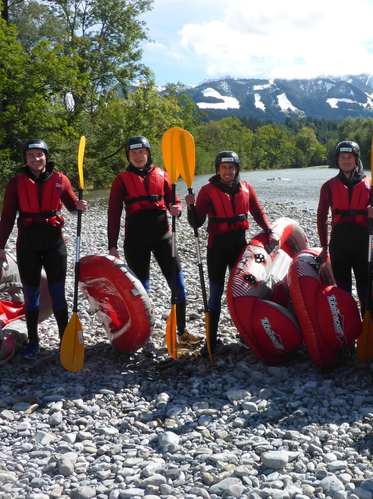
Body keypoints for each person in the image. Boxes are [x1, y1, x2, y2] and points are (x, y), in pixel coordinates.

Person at [0, 139, 88, 359]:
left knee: (57, 294)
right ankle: (33, 340)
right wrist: (0, 247)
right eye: (31, 155)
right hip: (28, 246)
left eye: (39, 154)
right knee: (31, 295)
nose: (36, 159)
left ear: (46, 156)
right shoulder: (15, 183)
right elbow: (7, 216)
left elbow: (72, 205)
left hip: (55, 245)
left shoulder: (60, 179)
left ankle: (65, 338)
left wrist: (79, 206)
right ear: (25, 159)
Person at [107, 136, 199, 350]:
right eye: (133, 153)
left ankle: (181, 332)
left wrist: (177, 208)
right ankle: (144, 335)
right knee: (142, 292)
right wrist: (113, 246)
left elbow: (175, 202)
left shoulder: (163, 175)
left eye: (141, 152)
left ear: (148, 153)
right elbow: (114, 214)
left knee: (179, 287)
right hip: (135, 242)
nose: (138, 156)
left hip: (163, 239)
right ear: (128, 156)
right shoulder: (121, 180)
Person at [184, 151, 280, 356]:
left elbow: (257, 212)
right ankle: (211, 341)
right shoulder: (207, 191)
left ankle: (245, 335)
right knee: (216, 294)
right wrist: (190, 207)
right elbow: (196, 223)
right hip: (217, 250)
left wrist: (270, 231)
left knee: (243, 292)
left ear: (237, 168)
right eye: (224, 167)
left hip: (239, 248)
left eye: (231, 167)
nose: (228, 171)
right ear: (218, 169)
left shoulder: (247, 188)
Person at [316, 141, 373, 321]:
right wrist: (324, 246)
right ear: (337, 160)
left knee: (364, 291)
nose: (346, 161)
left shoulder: (370, 184)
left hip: (362, 244)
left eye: (349, 157)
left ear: (356, 159)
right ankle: (349, 328)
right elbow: (321, 217)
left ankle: (367, 326)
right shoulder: (328, 186)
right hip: (338, 245)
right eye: (342, 157)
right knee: (343, 292)